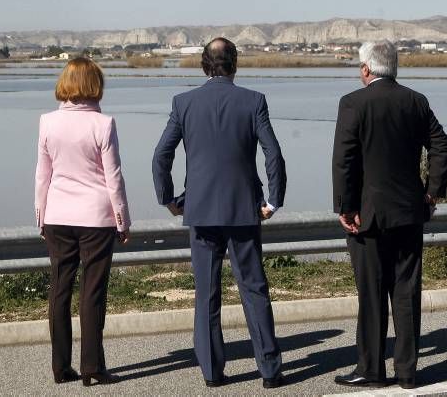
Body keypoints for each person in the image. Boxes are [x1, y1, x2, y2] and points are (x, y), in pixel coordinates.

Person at [152, 37, 287, 389]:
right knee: (254, 289)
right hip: (243, 209)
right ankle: (269, 371)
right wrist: (273, 200)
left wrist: (168, 198)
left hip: (200, 210)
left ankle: (212, 372)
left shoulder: (184, 103)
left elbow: (160, 156)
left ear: (204, 65)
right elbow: (273, 154)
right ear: (235, 64)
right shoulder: (253, 101)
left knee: (206, 293)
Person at [332, 40, 447, 389]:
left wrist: (346, 206)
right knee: (406, 292)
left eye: (360, 66)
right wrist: (431, 192)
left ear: (367, 69)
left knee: (371, 295)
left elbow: (345, 160)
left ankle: (371, 369)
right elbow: (441, 146)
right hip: (408, 213)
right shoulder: (415, 101)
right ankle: (407, 372)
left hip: (366, 217)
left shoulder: (353, 103)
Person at [34, 57, 131, 386]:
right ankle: (92, 367)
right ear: (95, 85)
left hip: (57, 216)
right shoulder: (103, 124)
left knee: (59, 289)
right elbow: (113, 177)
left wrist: (40, 215)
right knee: (92, 292)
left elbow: (42, 175)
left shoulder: (47, 122)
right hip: (96, 217)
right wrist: (122, 219)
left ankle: (61, 368)